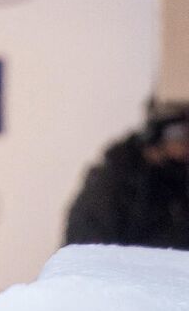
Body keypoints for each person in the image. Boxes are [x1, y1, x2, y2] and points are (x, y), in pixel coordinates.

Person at [65, 102, 189, 251]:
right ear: (154, 137)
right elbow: (86, 243)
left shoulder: (180, 183)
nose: (184, 144)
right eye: (177, 133)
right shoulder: (116, 182)